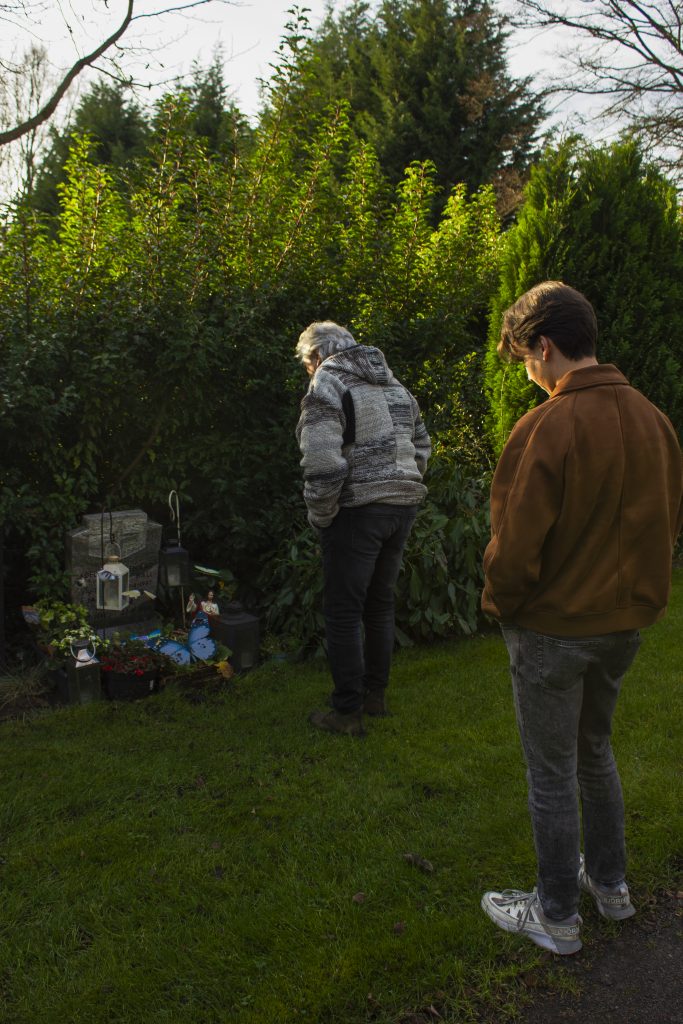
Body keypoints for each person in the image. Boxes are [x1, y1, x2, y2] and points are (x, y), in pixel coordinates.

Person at [480, 281, 682, 956]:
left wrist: (499, 603)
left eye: (523, 359)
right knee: (594, 751)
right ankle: (612, 888)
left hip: (554, 629)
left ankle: (558, 916)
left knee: (552, 771)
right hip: (623, 627)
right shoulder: (654, 418)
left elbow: (514, 544)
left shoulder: (547, 425)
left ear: (543, 347)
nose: (527, 373)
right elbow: (667, 523)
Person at [295, 320, 431, 737]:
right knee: (379, 605)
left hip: (358, 510)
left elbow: (322, 460)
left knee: (343, 612)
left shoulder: (328, 383)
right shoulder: (395, 385)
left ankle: (347, 712)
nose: (308, 370)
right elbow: (422, 444)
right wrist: (403, 482)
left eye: (307, 362)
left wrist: (321, 514)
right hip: (401, 507)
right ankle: (375, 698)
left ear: (317, 355)